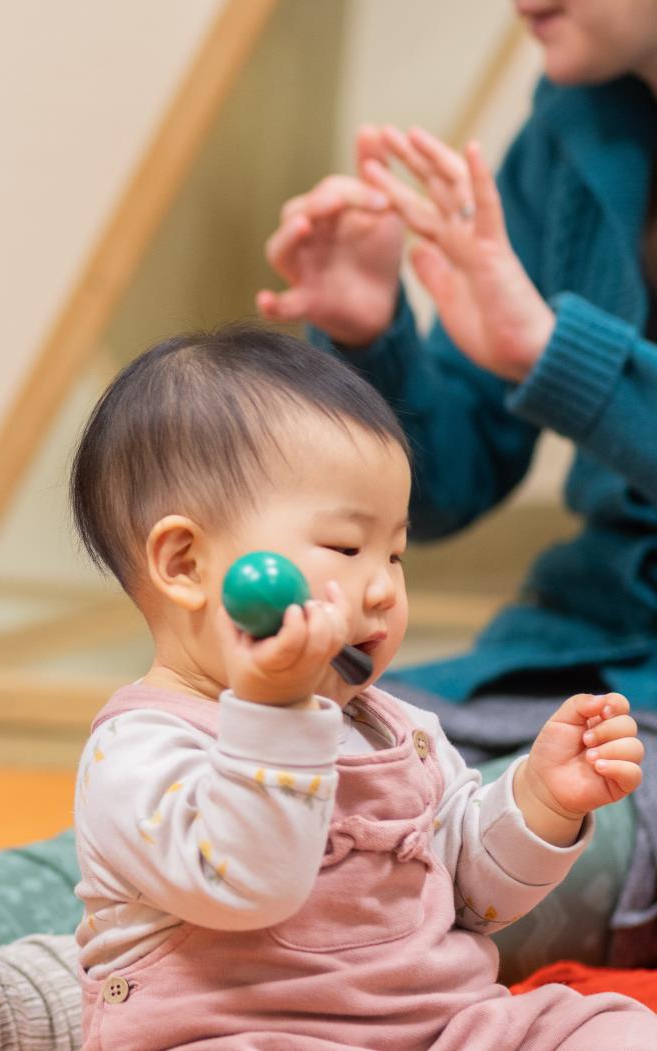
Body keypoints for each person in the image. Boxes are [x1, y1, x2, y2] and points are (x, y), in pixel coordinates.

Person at [68, 324, 653, 1047]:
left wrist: (540, 801)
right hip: (245, 1032)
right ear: (187, 564)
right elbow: (251, 882)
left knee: (604, 1027)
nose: (382, 589)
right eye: (346, 547)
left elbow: (472, 898)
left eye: (396, 552)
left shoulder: (396, 728)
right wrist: (275, 710)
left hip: (441, 1027)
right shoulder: (135, 751)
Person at [258, 0, 657, 963]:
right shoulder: (566, 134)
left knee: (386, 888)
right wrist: (372, 339)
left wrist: (559, 353)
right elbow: (445, 486)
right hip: (584, 655)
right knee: (283, 771)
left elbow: (548, 355)